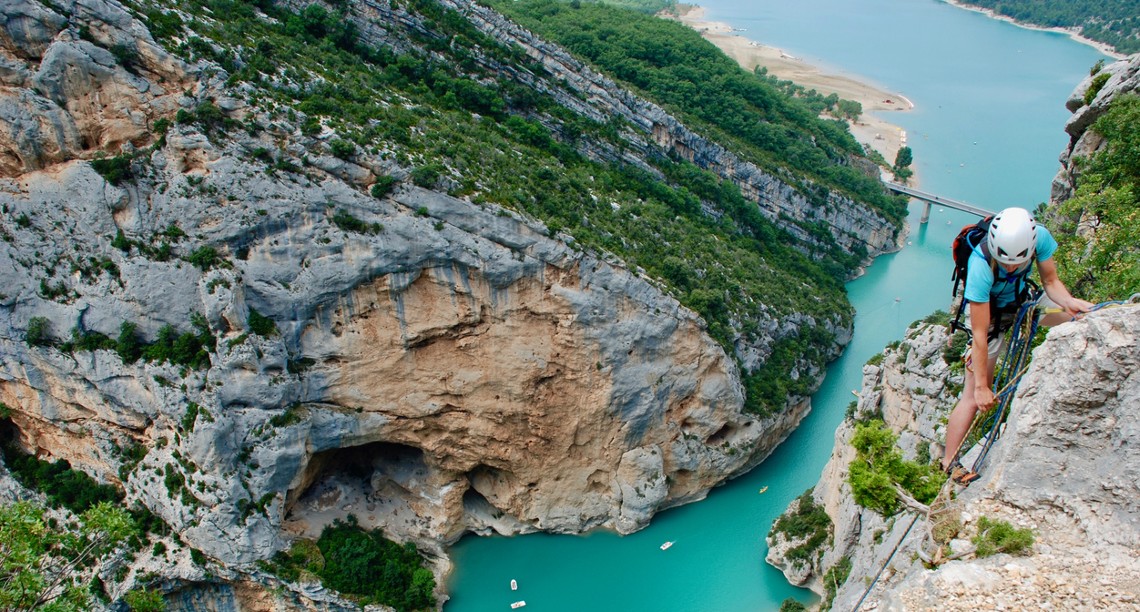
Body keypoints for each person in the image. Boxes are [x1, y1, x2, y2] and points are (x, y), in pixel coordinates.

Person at [941, 207, 1094, 485]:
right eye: (1005, 262)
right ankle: (949, 462)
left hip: (1024, 303)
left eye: (1017, 262)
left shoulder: (1040, 238)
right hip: (989, 319)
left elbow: (1050, 281)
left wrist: (1070, 303)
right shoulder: (980, 263)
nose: (1010, 268)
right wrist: (982, 387)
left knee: (1078, 317)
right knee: (972, 397)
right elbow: (978, 333)